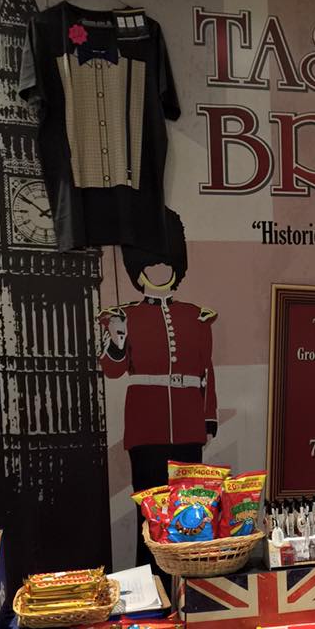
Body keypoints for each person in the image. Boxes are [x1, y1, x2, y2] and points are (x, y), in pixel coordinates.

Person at [99, 209, 218, 564]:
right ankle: (150, 576)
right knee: (151, 511)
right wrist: (117, 339)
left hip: (188, 425)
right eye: (152, 264)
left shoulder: (196, 316)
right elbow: (113, 370)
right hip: (146, 428)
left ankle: (185, 575)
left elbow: (206, 371)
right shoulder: (125, 316)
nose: (160, 270)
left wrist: (208, 418)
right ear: (139, 270)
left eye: (166, 263)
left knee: (189, 511)